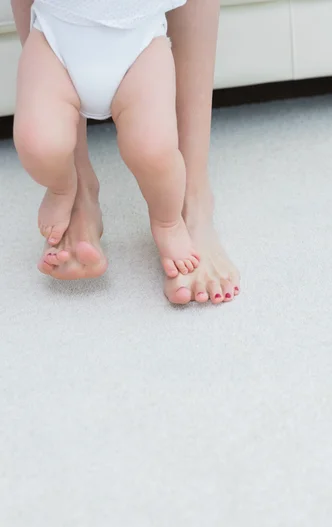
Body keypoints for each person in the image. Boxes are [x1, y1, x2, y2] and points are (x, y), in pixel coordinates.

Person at [11, 0, 240, 304]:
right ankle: (66, 188)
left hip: (140, 38)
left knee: (155, 150)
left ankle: (170, 219)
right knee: (37, 141)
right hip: (55, 35)